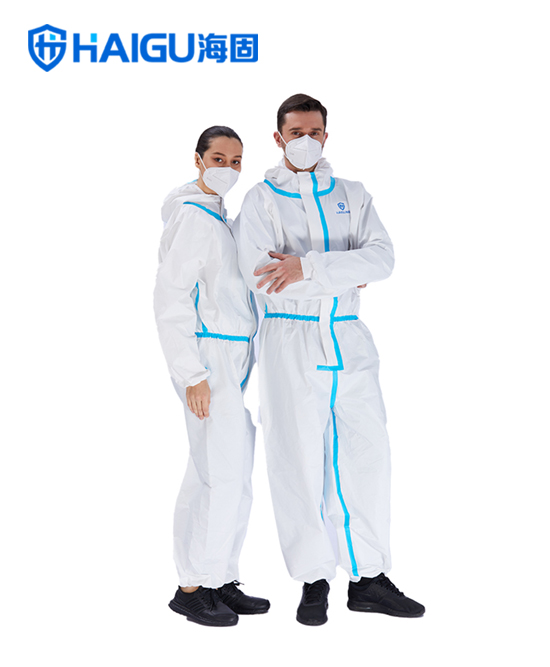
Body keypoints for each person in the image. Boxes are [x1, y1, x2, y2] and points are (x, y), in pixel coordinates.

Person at [233, 95, 424, 625]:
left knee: (367, 455)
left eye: (314, 131)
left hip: (347, 337)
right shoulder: (260, 200)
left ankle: (369, 578)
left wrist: (308, 268)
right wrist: (343, 271)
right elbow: (261, 275)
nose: (306, 141)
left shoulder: (353, 195)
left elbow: (383, 258)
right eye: (296, 132)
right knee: (296, 458)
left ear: (326, 135)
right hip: (288, 340)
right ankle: (313, 580)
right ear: (278, 138)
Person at [154, 126, 269, 627]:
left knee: (234, 473)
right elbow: (171, 298)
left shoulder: (219, 217)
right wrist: (191, 374)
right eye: (218, 158)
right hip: (209, 358)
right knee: (213, 473)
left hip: (235, 358)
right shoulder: (193, 217)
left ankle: (219, 576)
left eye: (236, 161)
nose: (228, 168)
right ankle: (190, 587)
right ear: (198, 159)